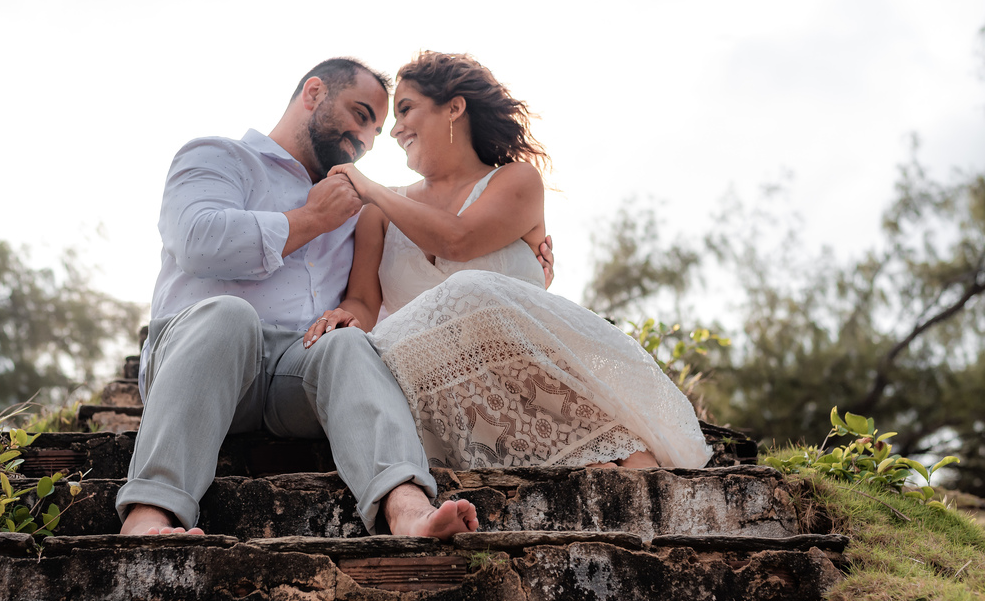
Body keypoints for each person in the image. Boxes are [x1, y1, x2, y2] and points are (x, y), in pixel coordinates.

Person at [117, 57, 511, 539]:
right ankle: (150, 512)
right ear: (314, 93)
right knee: (230, 316)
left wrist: (517, 262)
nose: (367, 140)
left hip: (294, 372)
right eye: (361, 114)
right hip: (200, 356)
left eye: (376, 129)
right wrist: (310, 220)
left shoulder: (356, 202)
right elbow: (199, 240)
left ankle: (407, 508)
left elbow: (385, 296)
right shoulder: (217, 157)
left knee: (348, 343)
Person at [303, 52, 712, 471]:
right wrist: (344, 317)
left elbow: (457, 240)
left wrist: (372, 190)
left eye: (406, 109)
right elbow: (365, 304)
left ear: (454, 108)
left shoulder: (516, 180)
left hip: (535, 385)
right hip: (441, 395)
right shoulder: (378, 214)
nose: (394, 129)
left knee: (627, 469)